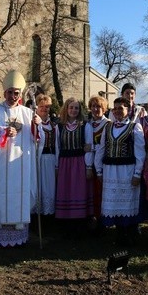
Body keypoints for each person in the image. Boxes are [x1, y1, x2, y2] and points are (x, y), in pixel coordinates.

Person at [0, 70, 43, 247]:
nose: (13, 96)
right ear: (4, 93)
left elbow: (37, 140)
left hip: (20, 163)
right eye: (10, 92)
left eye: (16, 93)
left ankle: (18, 229)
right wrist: (1, 131)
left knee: (20, 193)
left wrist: (37, 127)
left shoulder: (28, 113)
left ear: (20, 94)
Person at [94, 97, 145, 246]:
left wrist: (137, 173)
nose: (117, 111)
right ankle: (120, 234)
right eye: (115, 108)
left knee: (127, 202)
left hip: (127, 171)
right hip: (110, 170)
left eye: (120, 108)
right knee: (114, 202)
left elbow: (140, 153)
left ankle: (129, 234)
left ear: (128, 110)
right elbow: (101, 150)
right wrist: (99, 170)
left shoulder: (135, 127)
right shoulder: (108, 127)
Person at [55, 98, 93, 234]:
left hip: (79, 163)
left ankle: (80, 225)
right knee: (65, 192)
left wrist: (89, 167)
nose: (73, 110)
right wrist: (56, 166)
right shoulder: (59, 126)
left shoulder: (85, 126)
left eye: (76, 108)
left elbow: (89, 147)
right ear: (66, 109)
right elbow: (57, 147)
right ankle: (66, 226)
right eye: (71, 107)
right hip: (65, 163)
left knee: (79, 191)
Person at [85, 95, 110, 232]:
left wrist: (92, 148)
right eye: (93, 106)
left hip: (104, 164)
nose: (96, 109)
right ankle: (92, 219)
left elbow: (104, 146)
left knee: (103, 193)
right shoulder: (88, 124)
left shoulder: (108, 124)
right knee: (92, 192)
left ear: (104, 109)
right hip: (89, 163)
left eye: (99, 106)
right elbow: (86, 146)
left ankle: (103, 221)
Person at [36, 94, 58, 216]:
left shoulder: (54, 125)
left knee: (49, 187)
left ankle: (48, 214)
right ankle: (37, 215)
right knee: (38, 187)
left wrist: (56, 164)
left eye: (47, 107)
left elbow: (57, 145)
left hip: (50, 159)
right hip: (38, 159)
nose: (44, 109)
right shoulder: (33, 123)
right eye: (41, 106)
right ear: (37, 107)